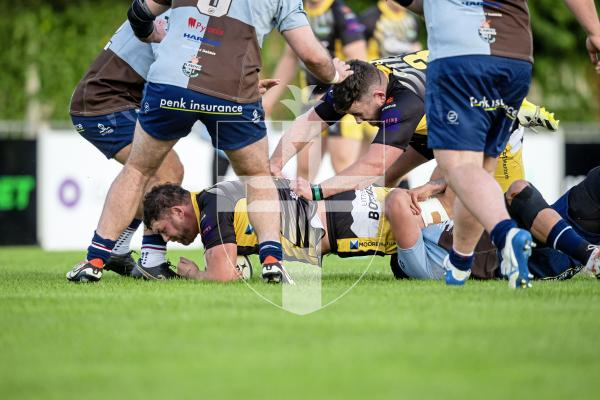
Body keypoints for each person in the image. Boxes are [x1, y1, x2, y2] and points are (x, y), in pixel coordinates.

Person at [66, 0, 352, 285]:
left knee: (143, 170)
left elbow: (144, 17)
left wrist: (151, 34)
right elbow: (311, 55)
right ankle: (269, 262)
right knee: (246, 176)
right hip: (102, 103)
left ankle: (99, 258)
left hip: (167, 88)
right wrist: (335, 75)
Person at [394, 0, 600, 288]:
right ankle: (460, 263)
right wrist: (594, 30)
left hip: (462, 56)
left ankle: (505, 234)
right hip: (515, 57)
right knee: (481, 171)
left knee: (458, 168)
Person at [270, 52, 557, 204]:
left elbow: (372, 165)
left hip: (488, 126)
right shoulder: (359, 81)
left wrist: (318, 191)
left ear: (380, 97)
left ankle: (575, 248)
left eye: (358, 114)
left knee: (505, 202)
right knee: (381, 186)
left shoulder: (404, 101)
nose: (357, 121)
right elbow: (309, 123)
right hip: (440, 122)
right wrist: (275, 163)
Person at [66, 13, 185, 282]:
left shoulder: (184, 10)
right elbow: (175, 66)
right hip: (100, 104)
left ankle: (119, 250)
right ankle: (148, 262)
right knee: (166, 170)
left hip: (113, 102)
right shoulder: (176, 12)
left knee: (167, 170)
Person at [142, 179, 399, 281]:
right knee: (408, 265)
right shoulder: (212, 196)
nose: (167, 238)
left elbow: (224, 275)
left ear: (178, 211)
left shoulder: (212, 209)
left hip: (350, 218)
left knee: (427, 246)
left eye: (163, 230)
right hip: (348, 208)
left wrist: (194, 274)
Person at [386, 166, 600, 282]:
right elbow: (396, 204)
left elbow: (472, 181)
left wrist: (434, 185)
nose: (416, 208)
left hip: (528, 224)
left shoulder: (435, 228)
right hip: (531, 257)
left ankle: (590, 254)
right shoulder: (416, 267)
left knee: (519, 188)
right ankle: (589, 255)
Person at [262, 0, 368, 180]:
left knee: (343, 169)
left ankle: (350, 208)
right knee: (304, 171)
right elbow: (290, 58)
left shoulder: (341, 13)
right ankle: (303, 208)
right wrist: (269, 101)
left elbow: (360, 63)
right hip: (311, 100)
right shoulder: (297, 10)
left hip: (343, 103)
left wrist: (334, 91)